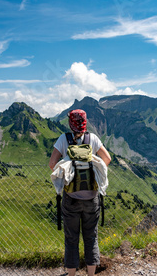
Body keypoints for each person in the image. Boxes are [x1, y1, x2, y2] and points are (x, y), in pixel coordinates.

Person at [49, 109, 111, 276]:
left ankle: (72, 274)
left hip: (71, 200)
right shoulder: (93, 139)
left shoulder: (64, 139)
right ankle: (91, 274)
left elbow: (52, 163)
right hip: (92, 199)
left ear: (70, 123)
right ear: (85, 122)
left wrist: (68, 165)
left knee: (71, 239)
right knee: (91, 237)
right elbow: (107, 159)